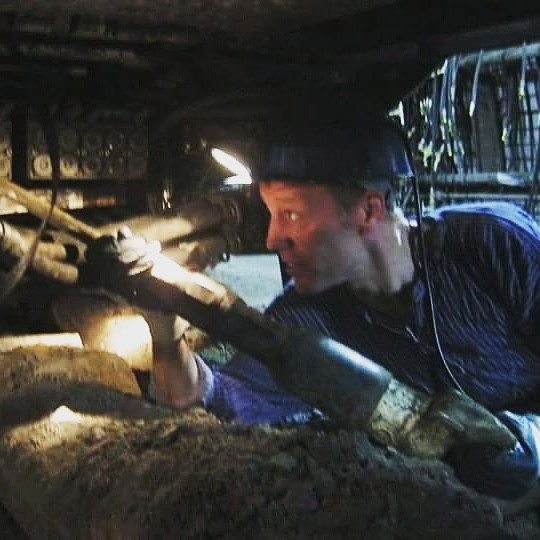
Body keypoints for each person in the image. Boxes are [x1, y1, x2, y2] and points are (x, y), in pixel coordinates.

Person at [87, 99, 540, 502]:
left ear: (368, 211)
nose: (271, 238)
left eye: (291, 214)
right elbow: (211, 404)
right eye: (269, 215)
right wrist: (164, 328)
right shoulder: (305, 318)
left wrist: (530, 441)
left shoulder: (495, 246)